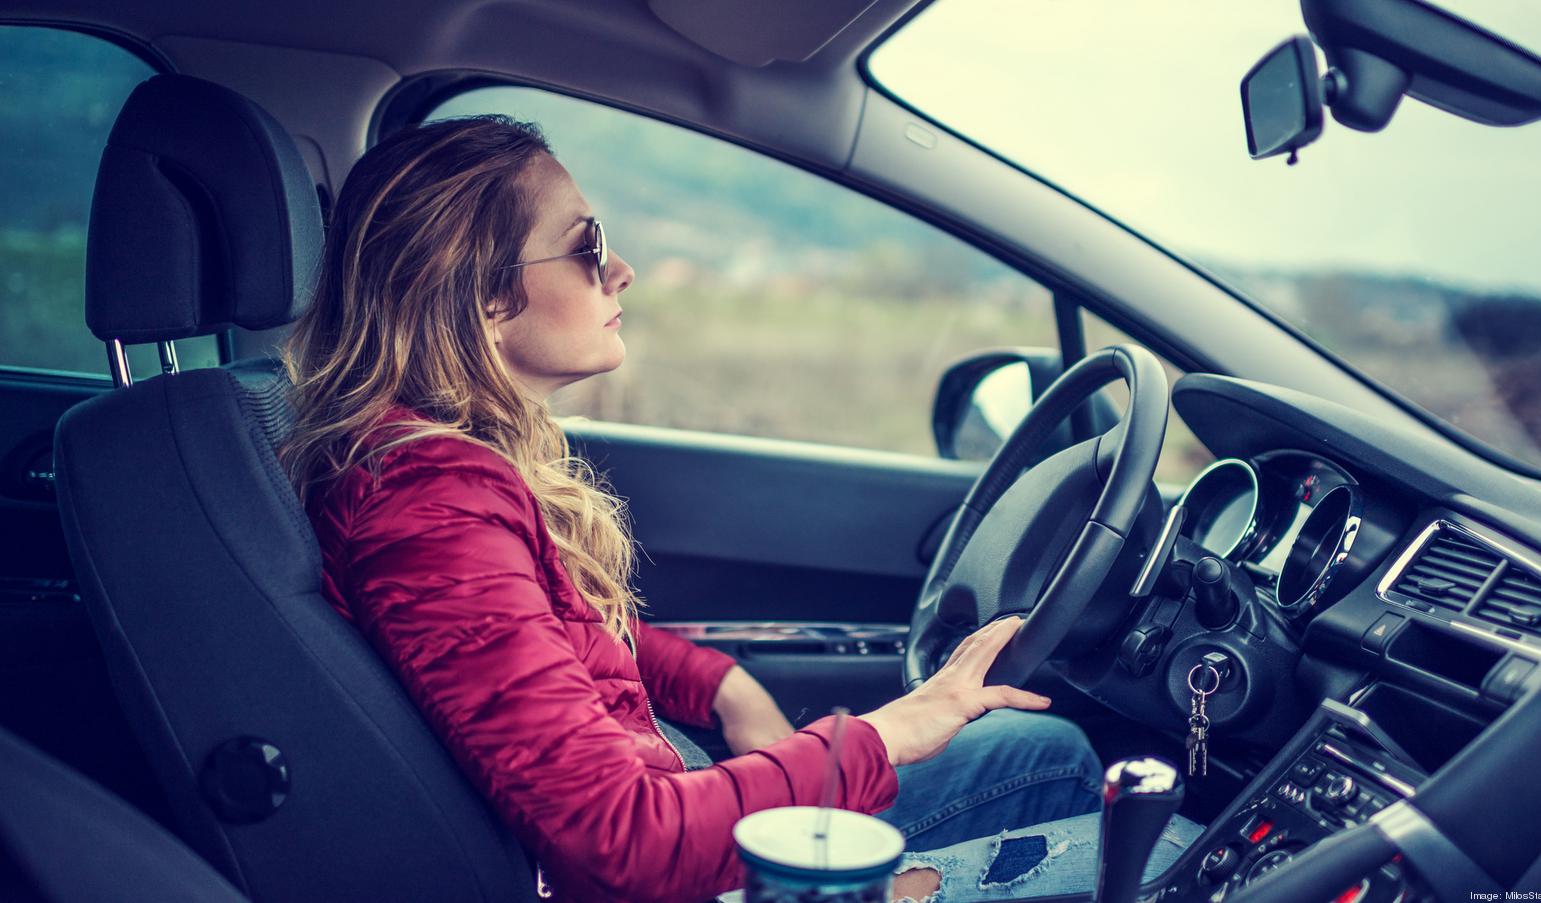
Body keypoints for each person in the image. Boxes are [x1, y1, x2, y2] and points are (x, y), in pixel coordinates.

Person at [278, 115, 1200, 903]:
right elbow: (620, 838)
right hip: (665, 863)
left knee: (1036, 742)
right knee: (1113, 813)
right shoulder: (429, 503)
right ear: (483, 294)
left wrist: (719, 682)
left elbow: (544, 646)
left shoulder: (432, 473)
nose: (623, 270)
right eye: (589, 246)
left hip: (674, 806)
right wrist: (887, 730)